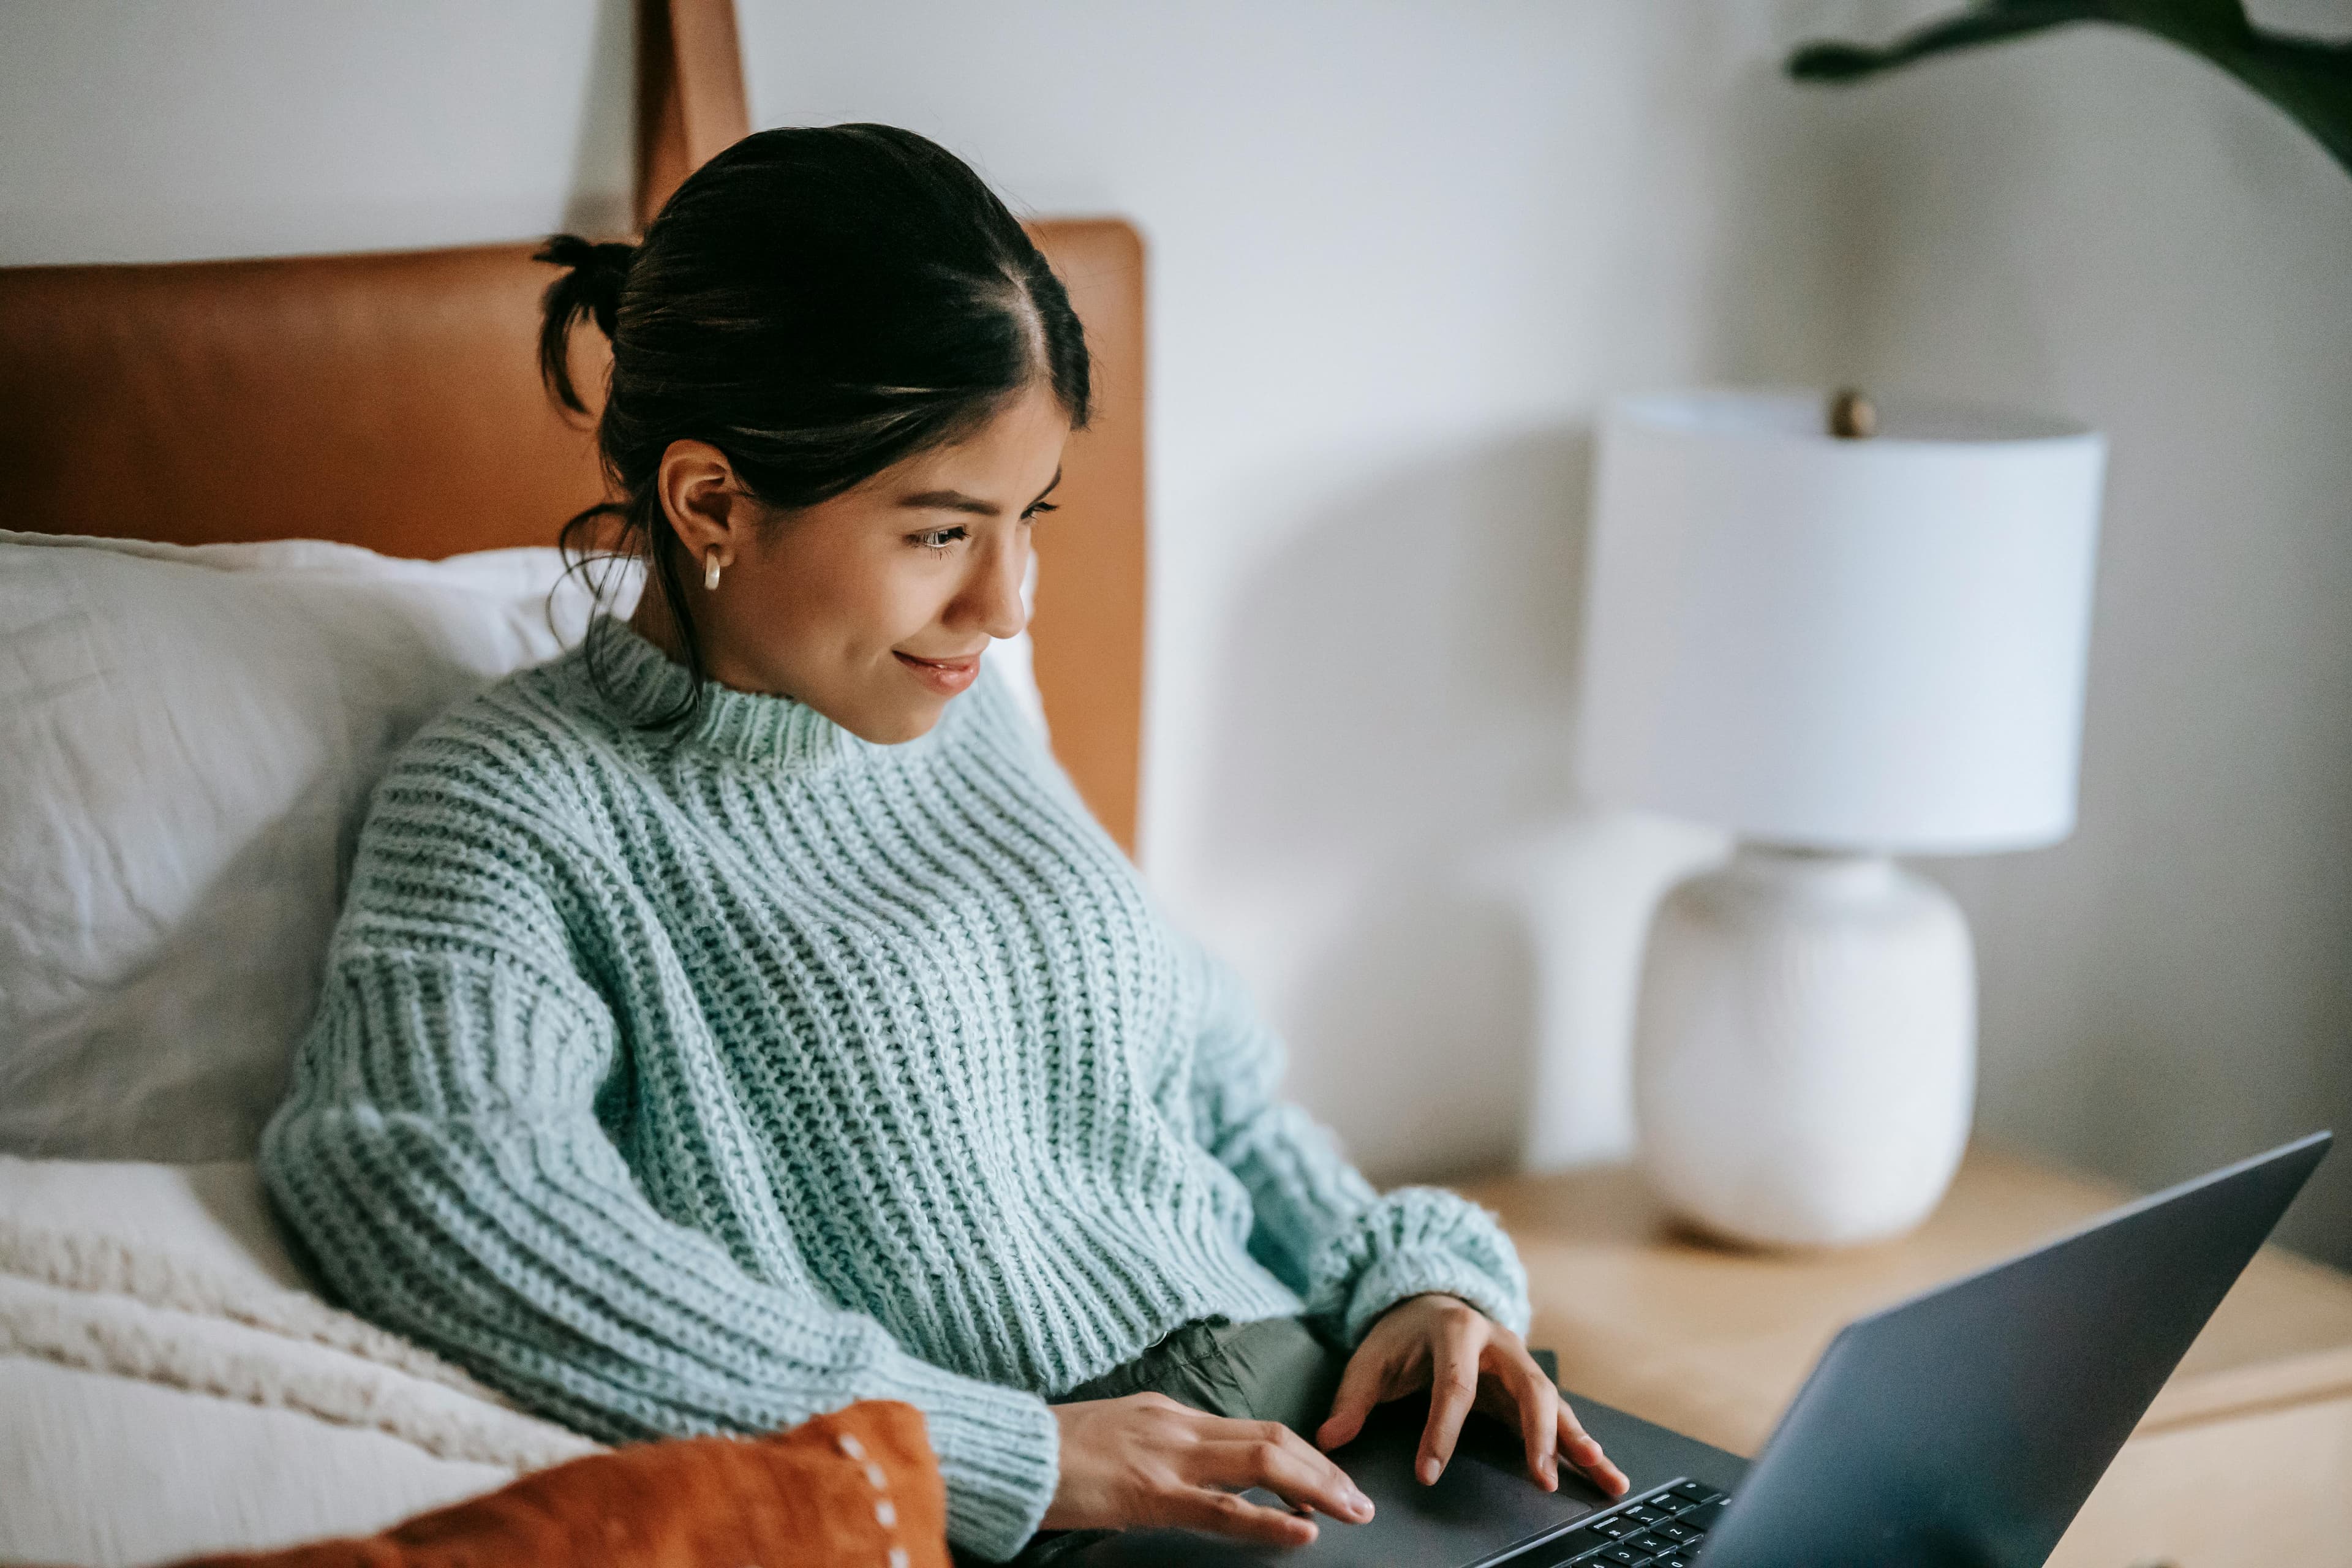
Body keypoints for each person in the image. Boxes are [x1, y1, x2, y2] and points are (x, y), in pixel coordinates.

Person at [260, 124, 1626, 1564]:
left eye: (1029, 518)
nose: (1011, 603)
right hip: (1057, 1514)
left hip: (1333, 1419)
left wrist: (1409, 1290)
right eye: (940, 532)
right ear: (711, 500)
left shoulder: (962, 722)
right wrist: (991, 1449)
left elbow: (1210, 1098)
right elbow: (429, 1183)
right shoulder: (513, 800)